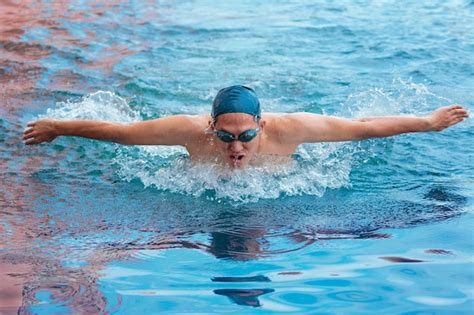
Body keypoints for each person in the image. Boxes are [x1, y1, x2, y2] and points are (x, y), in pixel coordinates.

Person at [23, 85, 469, 168]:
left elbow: (364, 127)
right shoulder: (187, 130)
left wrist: (427, 123)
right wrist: (59, 126)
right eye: (225, 136)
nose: (236, 146)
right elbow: (121, 134)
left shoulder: (292, 129)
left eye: (247, 136)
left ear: (262, 123)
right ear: (210, 125)